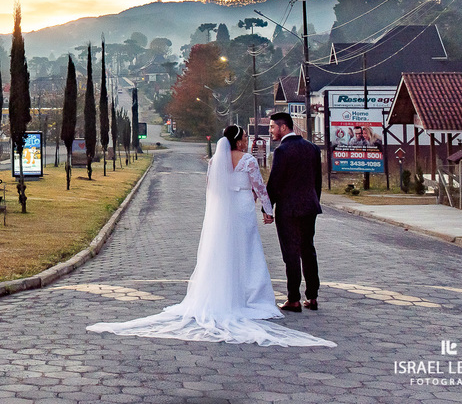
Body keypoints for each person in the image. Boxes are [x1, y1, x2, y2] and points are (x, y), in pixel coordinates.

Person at [87, 125, 334, 347]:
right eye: (245, 138)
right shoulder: (248, 160)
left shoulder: (215, 162)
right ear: (237, 141)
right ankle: (251, 297)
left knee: (222, 251)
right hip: (244, 208)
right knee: (247, 251)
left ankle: (223, 293)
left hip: (224, 210)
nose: (247, 141)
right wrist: (267, 211)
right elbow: (259, 188)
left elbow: (211, 189)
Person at [266, 111, 323, 312]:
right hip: (310, 207)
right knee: (308, 250)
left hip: (288, 209)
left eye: (272, 127)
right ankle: (313, 297)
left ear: (283, 127)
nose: (270, 131)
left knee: (290, 253)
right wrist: (314, 201)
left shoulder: (282, 151)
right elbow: (318, 182)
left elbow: (275, 182)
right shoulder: (312, 148)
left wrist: (268, 208)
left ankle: (293, 299)